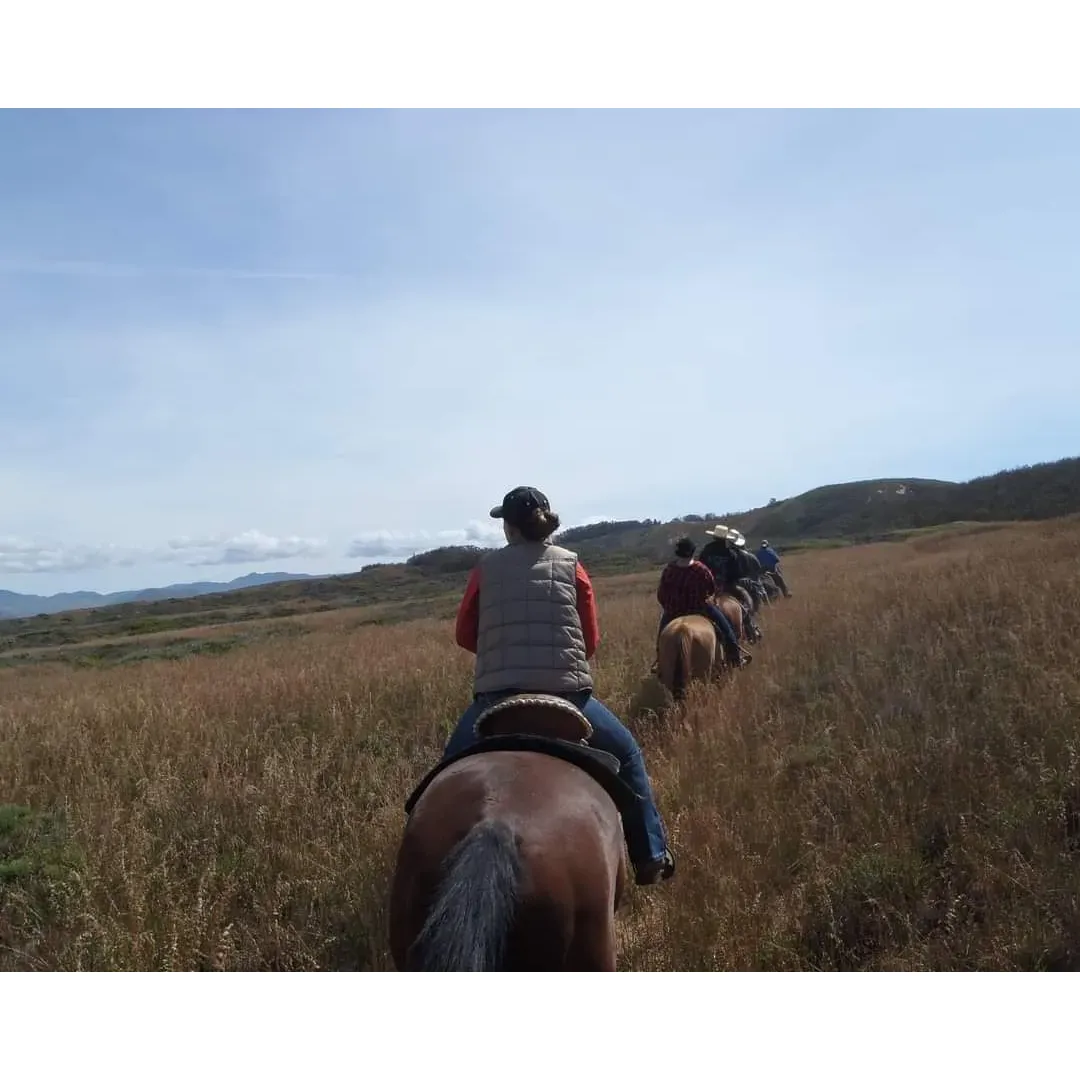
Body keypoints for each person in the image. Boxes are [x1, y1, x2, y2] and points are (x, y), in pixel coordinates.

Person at [442, 485, 676, 887]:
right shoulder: (573, 565)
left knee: (444, 774)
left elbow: (465, 634)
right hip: (567, 696)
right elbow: (589, 641)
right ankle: (650, 854)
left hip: (496, 698)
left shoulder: (486, 568)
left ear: (508, 528)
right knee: (629, 756)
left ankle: (430, 869)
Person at [655, 537, 750, 668]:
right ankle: (735, 658)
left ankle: (659, 661)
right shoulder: (701, 569)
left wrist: (670, 606)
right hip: (700, 608)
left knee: (661, 636)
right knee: (727, 629)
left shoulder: (669, 570)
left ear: (677, 553)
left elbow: (661, 594)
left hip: (674, 611)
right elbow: (711, 589)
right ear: (693, 552)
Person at [699, 526, 763, 642]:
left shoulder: (705, 551)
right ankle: (750, 627)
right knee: (744, 600)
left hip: (707, 588)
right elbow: (736, 573)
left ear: (714, 537)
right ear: (725, 539)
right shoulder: (730, 553)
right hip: (727, 586)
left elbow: (700, 568)